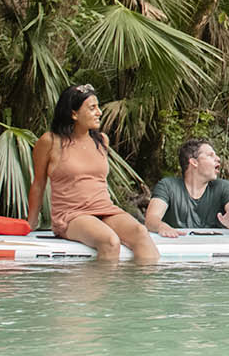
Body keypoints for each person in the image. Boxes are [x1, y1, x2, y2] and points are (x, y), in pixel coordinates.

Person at [26, 83, 160, 264]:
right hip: (72, 215)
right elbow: (39, 183)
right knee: (110, 241)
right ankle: (103, 292)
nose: (99, 112)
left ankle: (148, 291)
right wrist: (31, 223)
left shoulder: (102, 140)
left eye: (98, 107)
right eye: (92, 108)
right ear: (74, 114)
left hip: (105, 209)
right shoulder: (50, 141)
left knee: (141, 233)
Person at [144, 138, 229, 238]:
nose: (218, 159)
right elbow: (151, 219)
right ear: (194, 162)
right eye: (210, 155)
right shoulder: (168, 186)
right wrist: (162, 227)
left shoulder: (223, 187)